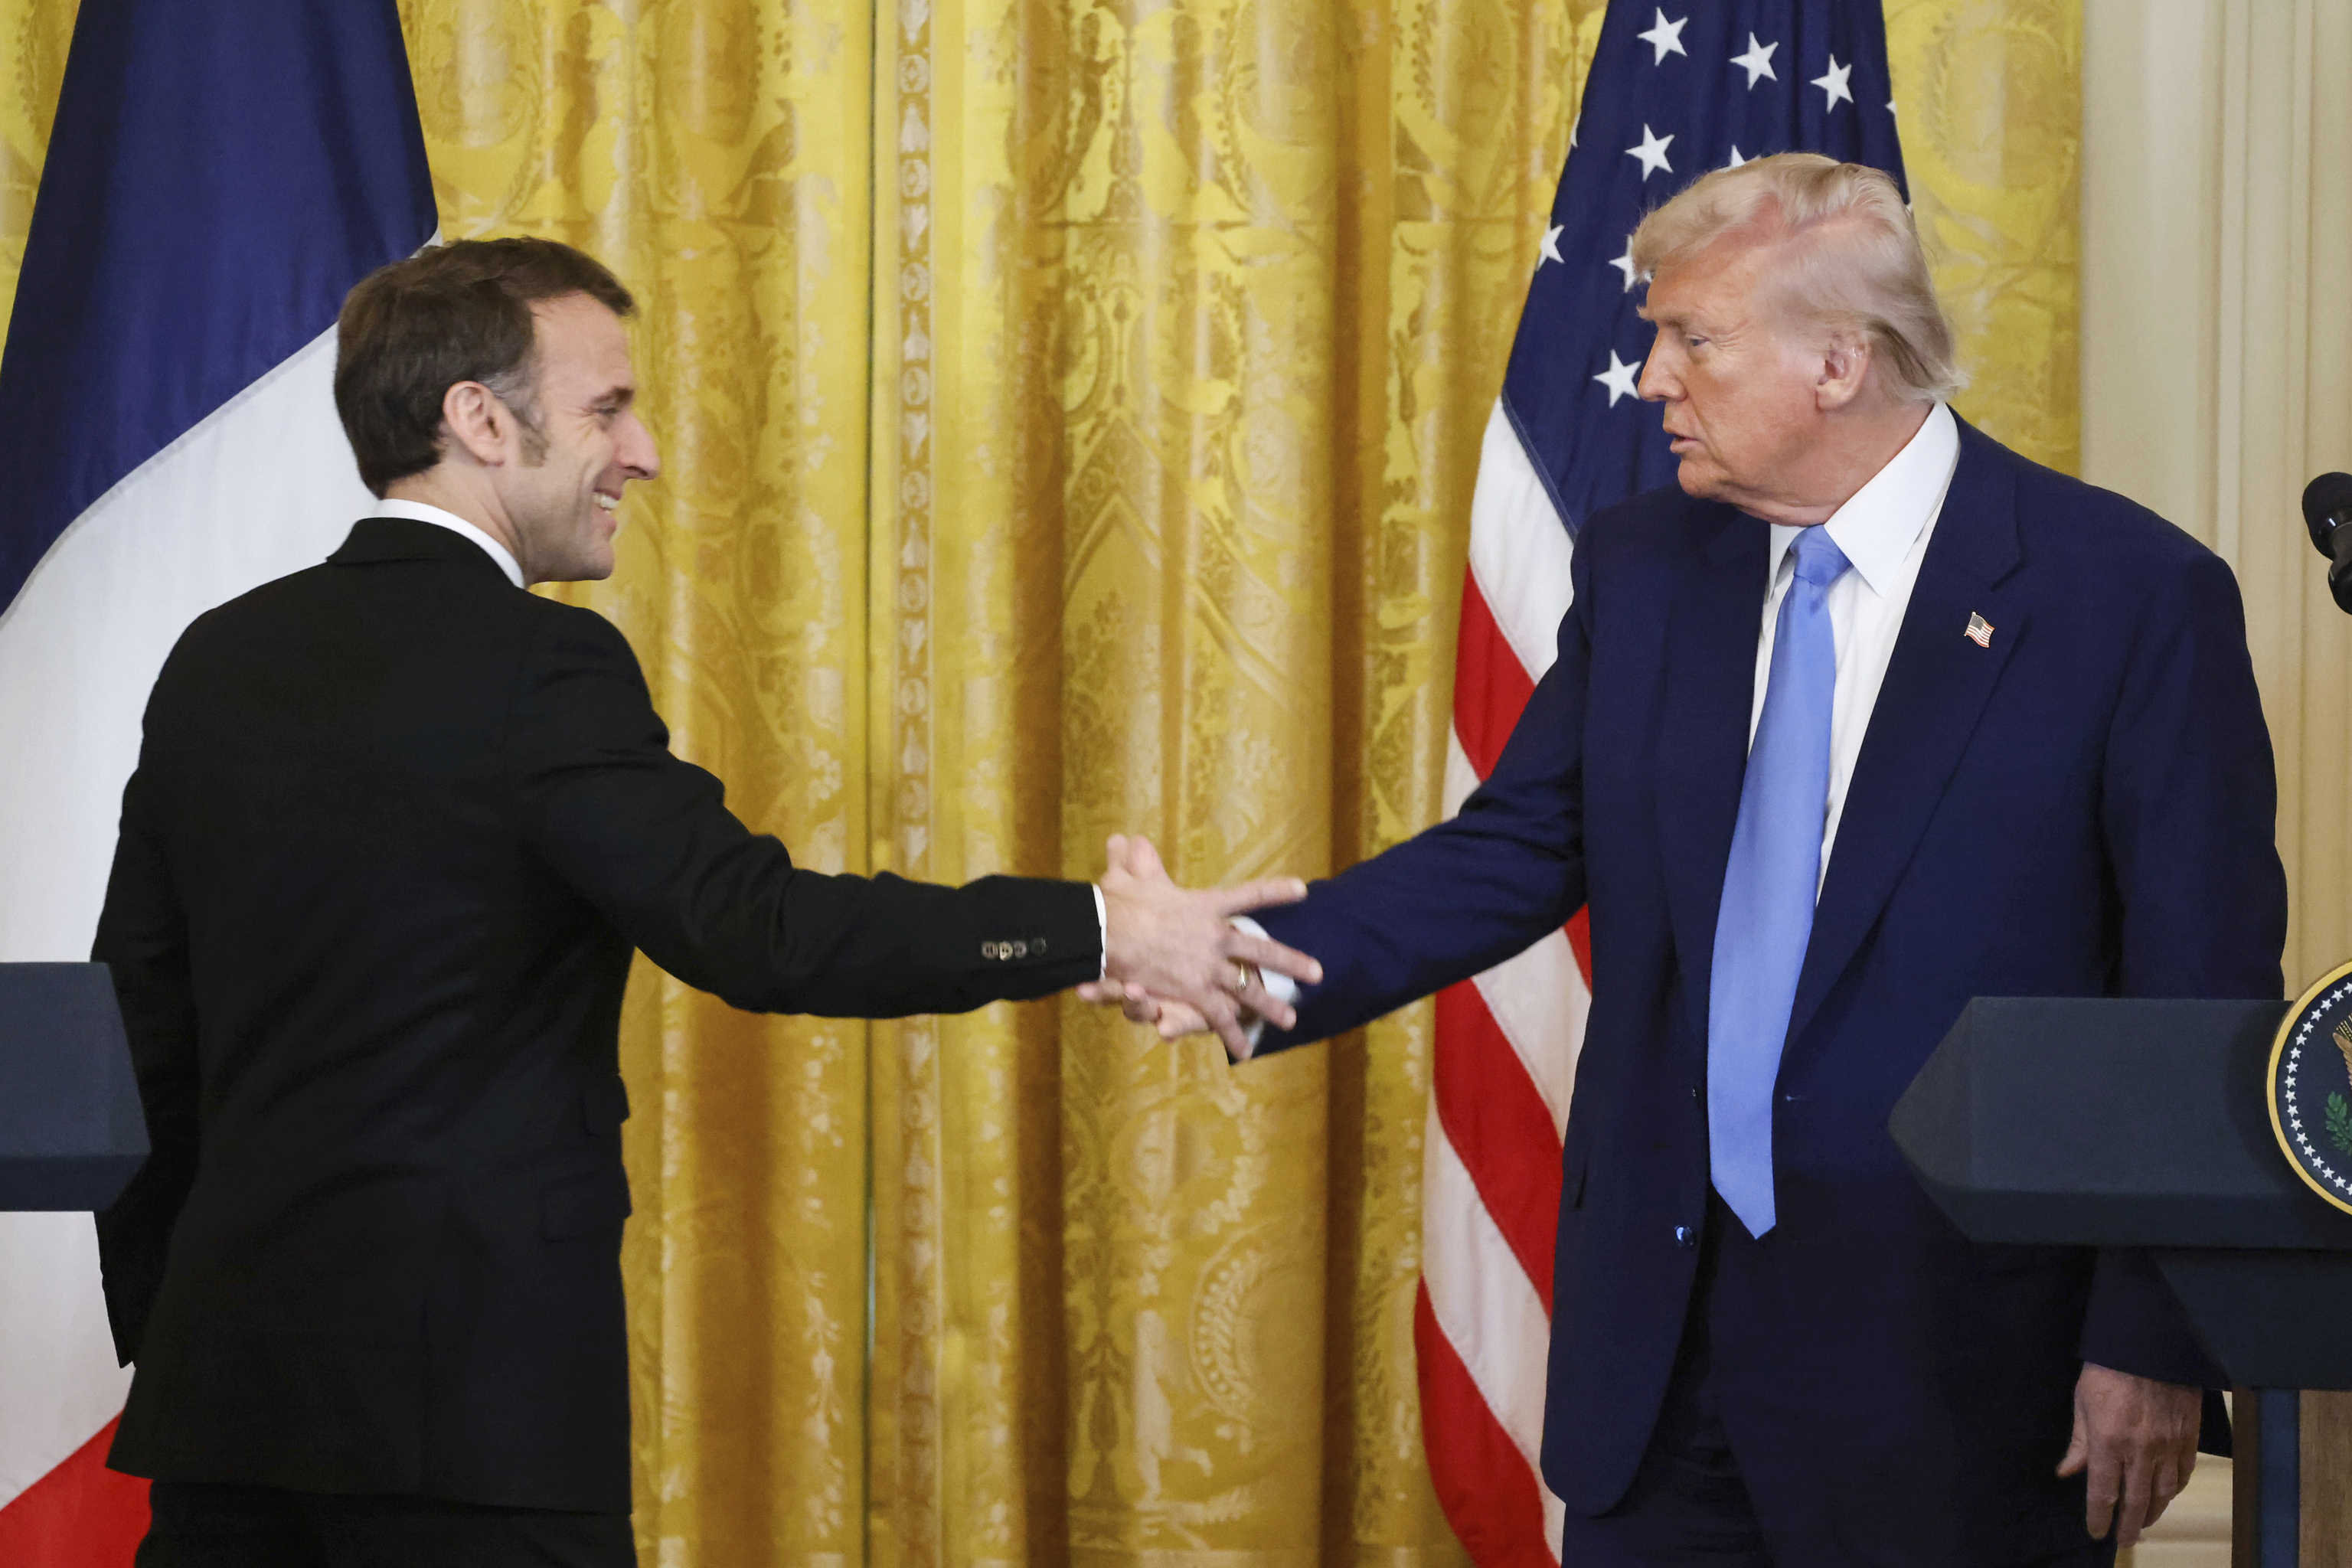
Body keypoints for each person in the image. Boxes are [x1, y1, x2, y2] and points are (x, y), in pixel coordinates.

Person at [1098, 155, 2286, 1564]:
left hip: (1963, 1378)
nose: (1654, 375)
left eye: (1693, 339)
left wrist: (2150, 1332)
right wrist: (1239, 959)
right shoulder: (1651, 568)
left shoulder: (2127, 600)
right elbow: (1514, 852)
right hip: (1661, 1372)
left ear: (1839, 361)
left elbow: (2198, 994)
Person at [93, 236, 1320, 1568]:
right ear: (479, 421)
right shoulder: (542, 667)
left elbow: (131, 1038)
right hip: (473, 1443)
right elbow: (761, 928)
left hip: (223, 1419)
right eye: (609, 408)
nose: (649, 451)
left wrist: (179, 1337)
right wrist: (1099, 925)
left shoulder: (218, 661)